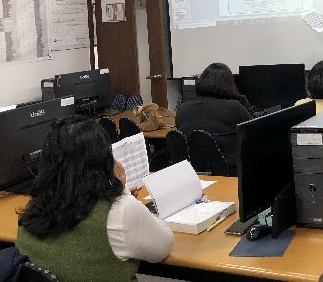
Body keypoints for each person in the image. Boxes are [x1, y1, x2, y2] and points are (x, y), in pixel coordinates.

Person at [16, 115, 174, 282]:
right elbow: (163, 246)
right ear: (103, 159)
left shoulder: (32, 210)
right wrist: (121, 192)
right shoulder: (120, 211)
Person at [175, 63, 252, 173]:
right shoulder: (234, 107)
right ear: (230, 85)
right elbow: (254, 131)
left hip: (192, 174)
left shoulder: (182, 109)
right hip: (229, 173)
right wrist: (242, 100)